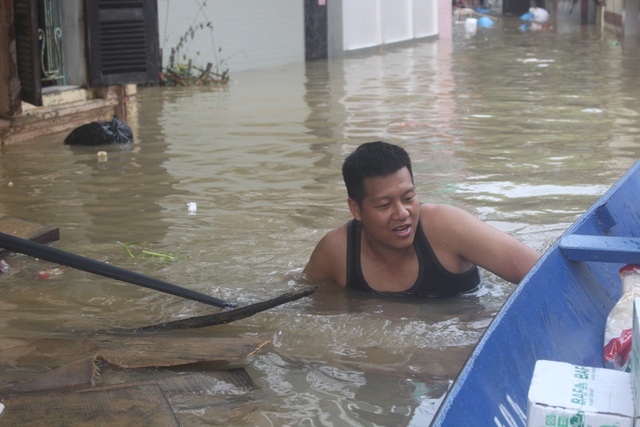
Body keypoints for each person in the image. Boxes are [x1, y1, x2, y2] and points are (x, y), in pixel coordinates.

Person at [303, 141, 541, 297]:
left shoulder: (448, 227)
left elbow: (540, 272)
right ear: (356, 209)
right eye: (384, 205)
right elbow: (300, 298)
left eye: (408, 198)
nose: (402, 213)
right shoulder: (337, 251)